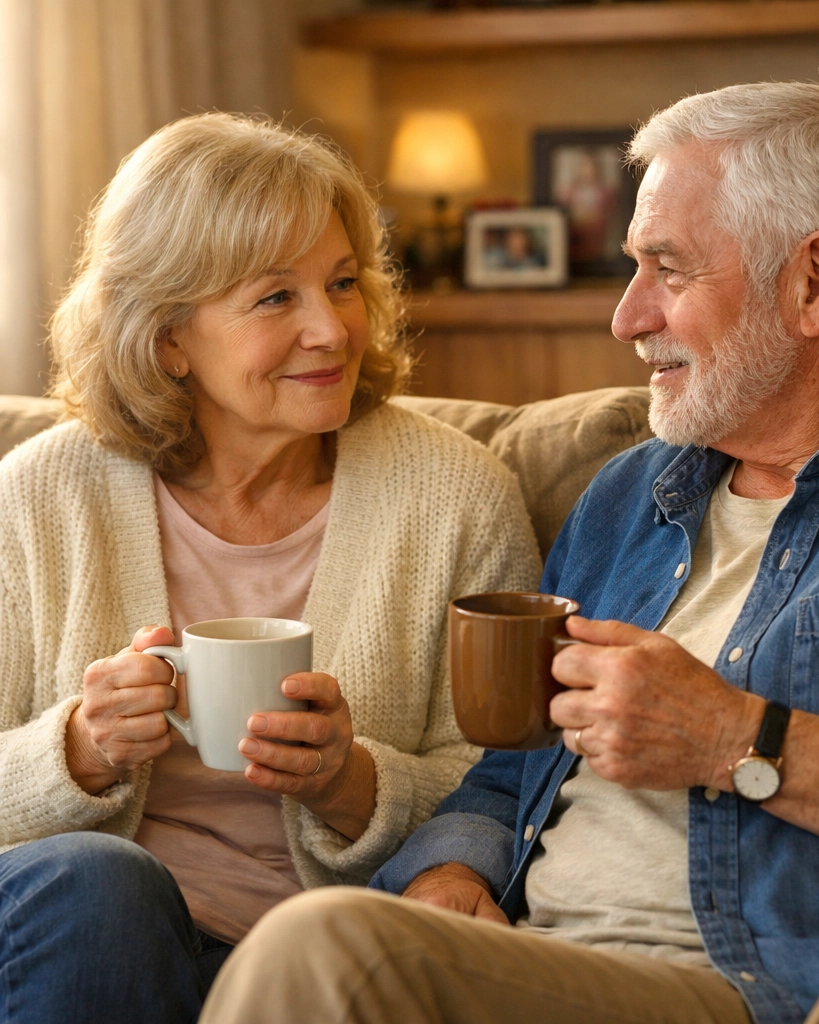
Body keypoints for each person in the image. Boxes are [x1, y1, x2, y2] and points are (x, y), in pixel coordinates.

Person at [198, 83, 819, 1024]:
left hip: (753, 985)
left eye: (667, 270)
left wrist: (736, 739)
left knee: (326, 945)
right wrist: (451, 868)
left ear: (815, 284)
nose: (627, 318)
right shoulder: (634, 495)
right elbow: (513, 763)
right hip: (534, 961)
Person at [0, 113, 540, 1023]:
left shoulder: (456, 494)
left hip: (324, 955)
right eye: (274, 298)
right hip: (91, 938)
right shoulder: (37, 499)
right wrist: (79, 752)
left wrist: (348, 782)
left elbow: (514, 775)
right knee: (100, 884)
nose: (333, 330)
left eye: (341, 284)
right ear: (169, 337)